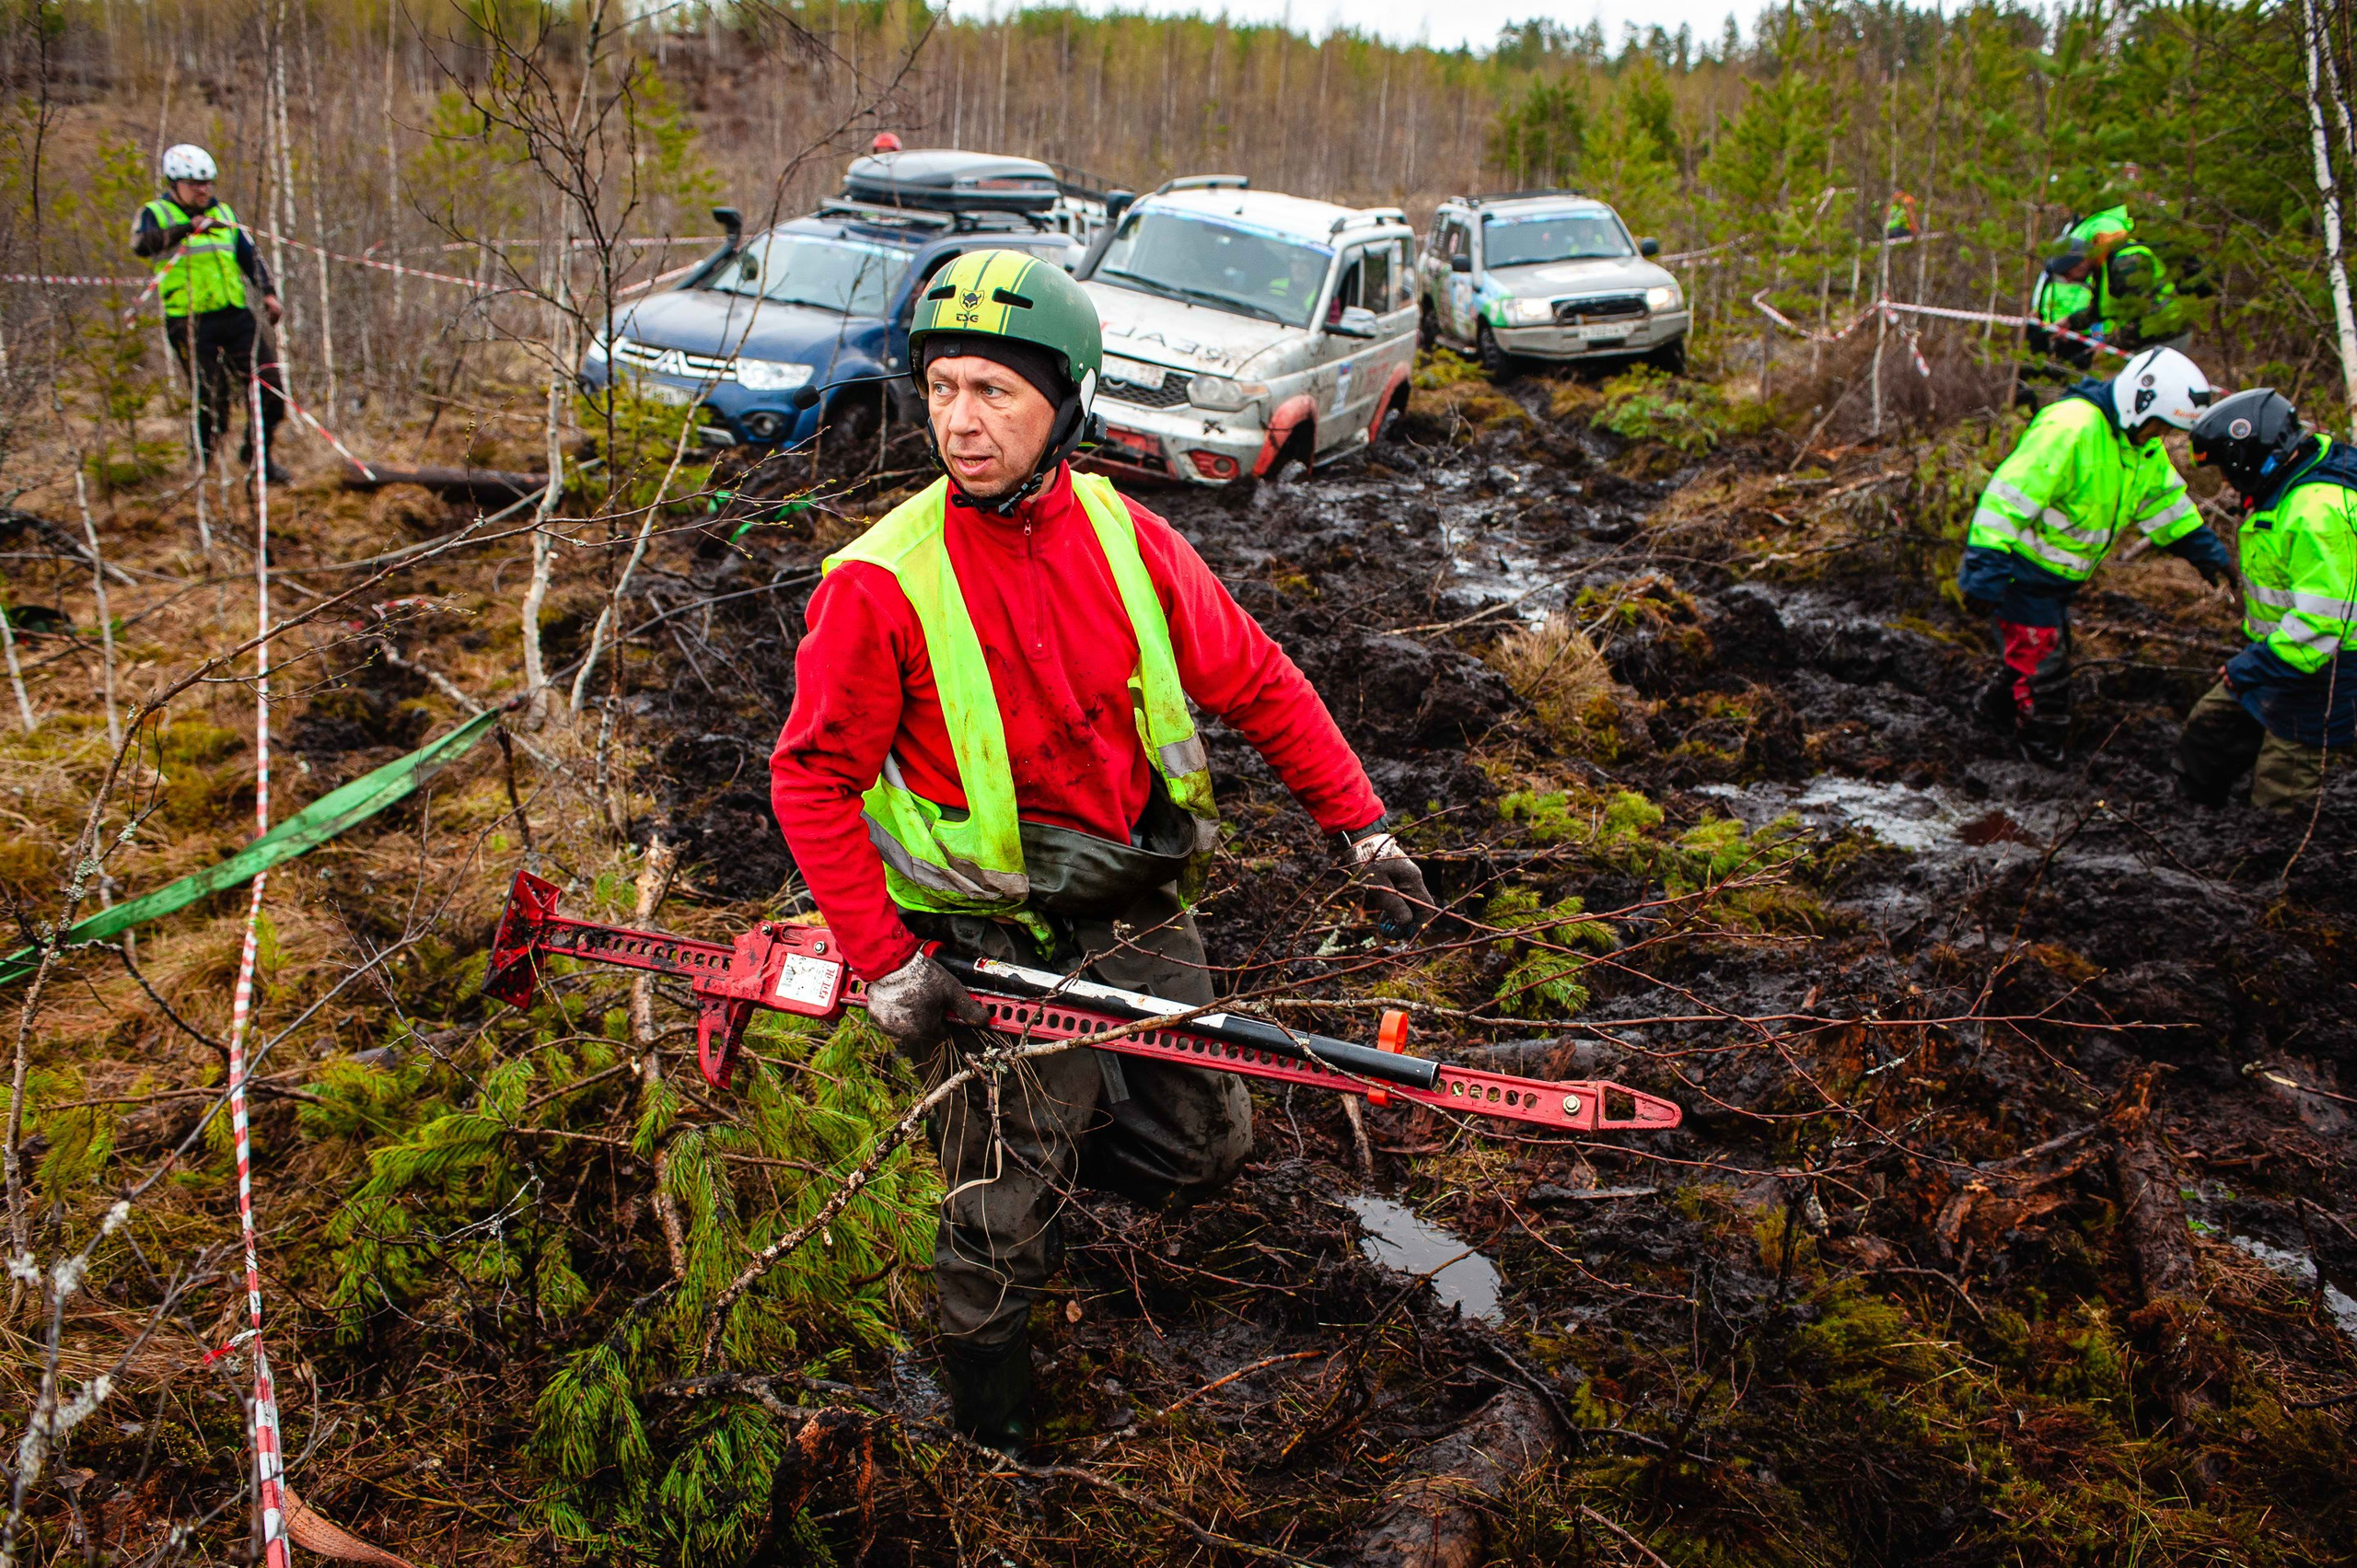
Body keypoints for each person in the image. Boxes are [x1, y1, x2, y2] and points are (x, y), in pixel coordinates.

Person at [768, 249, 1432, 1451]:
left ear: (1065, 399)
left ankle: (1059, 1140)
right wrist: (888, 962)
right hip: (981, 941)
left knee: (1206, 1142)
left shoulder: (1131, 542)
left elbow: (1263, 681)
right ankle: (991, 1435)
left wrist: (1363, 827)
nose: (960, 423)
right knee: (999, 1214)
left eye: (994, 393)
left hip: (1131, 903)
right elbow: (807, 776)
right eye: (944, 388)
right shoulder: (880, 582)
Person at [1958, 346, 2227, 764]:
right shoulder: (2072, 428)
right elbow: (2007, 498)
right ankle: (2039, 766)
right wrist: (1985, 569)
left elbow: (2163, 503)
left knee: (2031, 663)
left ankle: (1982, 722)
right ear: (2140, 403)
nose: (2159, 436)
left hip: (2056, 583)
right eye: (2158, 426)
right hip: (2020, 576)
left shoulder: (2139, 447)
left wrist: (2206, 551)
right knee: (2046, 678)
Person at [2177, 389, 2356, 812]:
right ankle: (2189, 825)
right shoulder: (2283, 488)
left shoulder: (2318, 513)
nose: (2223, 482)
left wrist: (2252, 667)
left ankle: (2279, 862)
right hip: (2282, 653)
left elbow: (2323, 626)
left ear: (2247, 456)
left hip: (2331, 666)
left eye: (2224, 468)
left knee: (2282, 787)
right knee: (2209, 729)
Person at [133, 144, 288, 482]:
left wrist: (269, 294)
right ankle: (202, 471)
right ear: (174, 182)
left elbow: (249, 255)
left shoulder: (225, 213)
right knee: (211, 397)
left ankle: (258, 459)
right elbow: (142, 245)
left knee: (270, 389)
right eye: (194, 183)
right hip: (188, 321)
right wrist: (188, 228)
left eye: (208, 183)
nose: (203, 190)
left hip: (236, 315)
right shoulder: (155, 212)